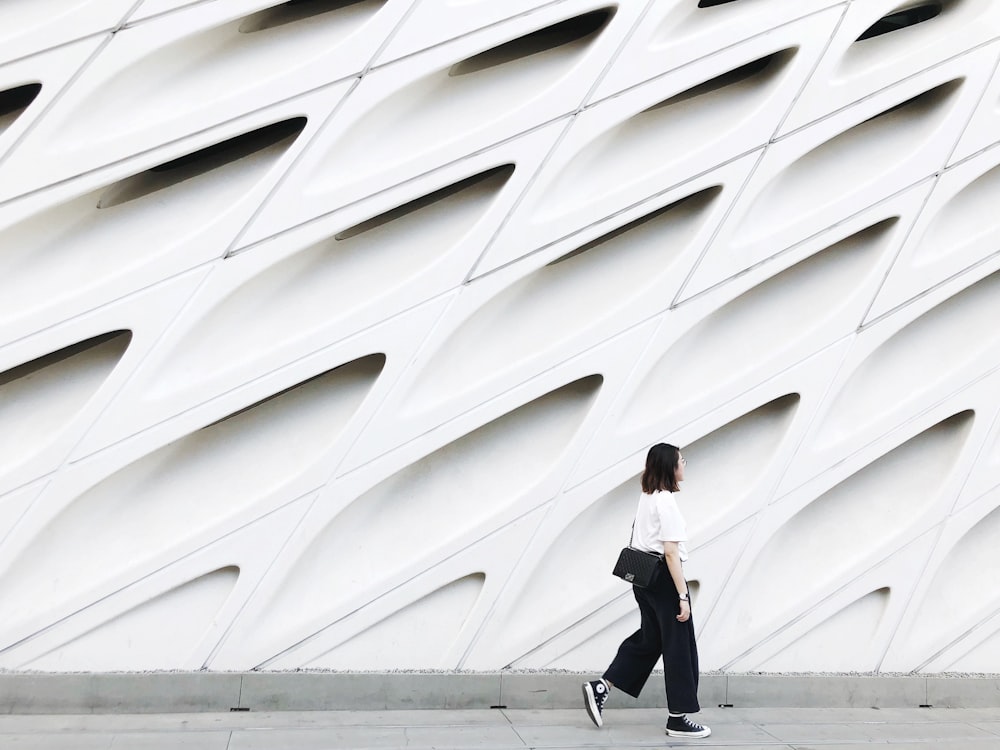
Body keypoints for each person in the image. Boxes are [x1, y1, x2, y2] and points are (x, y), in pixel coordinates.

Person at [582, 443, 710, 738]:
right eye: (681, 460)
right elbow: (670, 553)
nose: (684, 465)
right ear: (670, 467)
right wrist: (682, 596)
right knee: (679, 646)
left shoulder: (647, 497)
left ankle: (602, 687)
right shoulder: (665, 501)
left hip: (643, 579)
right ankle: (677, 718)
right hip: (665, 580)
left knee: (650, 640)